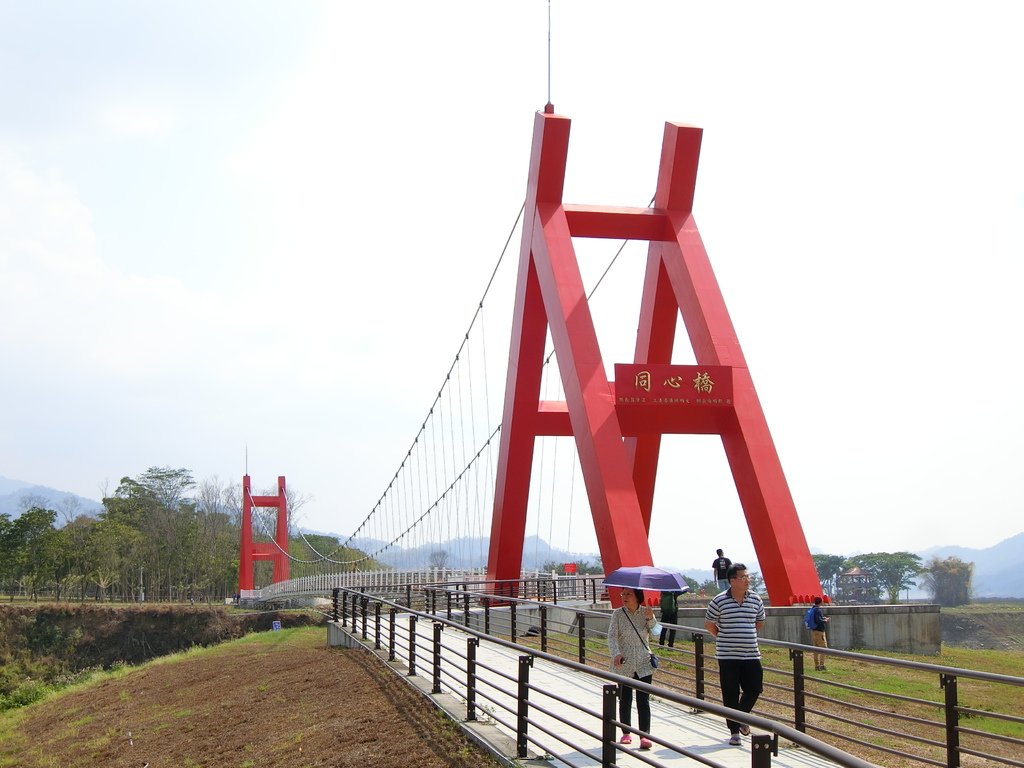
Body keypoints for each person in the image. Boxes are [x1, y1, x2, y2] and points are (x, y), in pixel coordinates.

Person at [704, 563, 765, 746]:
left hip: (751, 654)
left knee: (755, 689)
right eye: (743, 577)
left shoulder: (755, 599)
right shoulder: (719, 600)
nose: (747, 580)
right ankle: (734, 732)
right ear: (732, 580)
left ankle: (739, 718)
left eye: (748, 577)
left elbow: (759, 622)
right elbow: (709, 623)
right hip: (727, 656)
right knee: (730, 693)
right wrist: (723, 636)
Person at [608, 587, 657, 751]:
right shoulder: (618, 614)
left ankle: (645, 735)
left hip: (644, 663)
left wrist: (651, 619)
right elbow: (612, 636)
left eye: (628, 594)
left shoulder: (646, 612)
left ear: (638, 596)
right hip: (625, 663)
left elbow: (656, 633)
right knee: (625, 698)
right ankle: (626, 732)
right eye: (623, 594)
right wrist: (616, 653)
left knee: (643, 700)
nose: (624, 597)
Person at [809, 597, 830, 671]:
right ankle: (821, 665)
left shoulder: (813, 609)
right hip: (819, 632)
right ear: (820, 602)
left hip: (814, 631)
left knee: (816, 649)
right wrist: (825, 620)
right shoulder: (818, 610)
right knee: (824, 648)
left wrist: (822, 618)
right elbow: (819, 620)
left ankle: (816, 665)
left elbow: (816, 619)